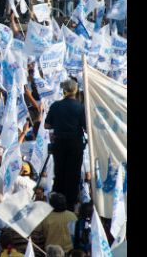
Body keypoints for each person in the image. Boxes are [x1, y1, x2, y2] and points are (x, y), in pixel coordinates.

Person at [45, 79, 87, 211]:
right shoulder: (80, 108)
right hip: (75, 145)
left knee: (60, 173)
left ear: (64, 90)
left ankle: (57, 203)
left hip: (59, 144)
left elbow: (47, 125)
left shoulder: (55, 106)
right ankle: (69, 205)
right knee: (73, 174)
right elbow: (86, 128)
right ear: (76, 91)